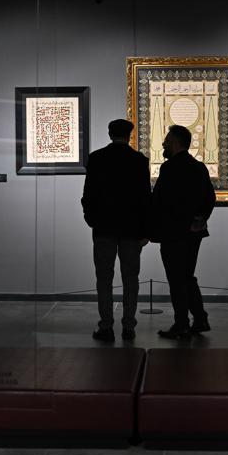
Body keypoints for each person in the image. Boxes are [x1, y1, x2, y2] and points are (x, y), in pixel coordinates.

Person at [81, 118, 151, 342]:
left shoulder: (97, 158)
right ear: (129, 136)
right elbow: (145, 199)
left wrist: (91, 219)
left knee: (104, 279)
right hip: (131, 229)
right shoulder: (139, 160)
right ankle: (129, 326)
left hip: (104, 228)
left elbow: (88, 194)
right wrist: (145, 230)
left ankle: (106, 326)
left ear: (110, 134)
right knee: (131, 278)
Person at [149, 124, 215, 340]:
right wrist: (200, 218)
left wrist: (150, 228)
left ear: (176, 143)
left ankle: (182, 324)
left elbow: (160, 201)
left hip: (173, 233)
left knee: (176, 280)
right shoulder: (199, 167)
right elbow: (210, 198)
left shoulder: (169, 168)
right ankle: (200, 319)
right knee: (187, 276)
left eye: (167, 141)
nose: (163, 144)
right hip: (193, 233)